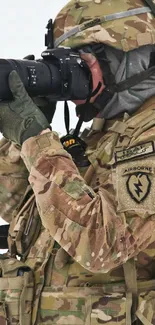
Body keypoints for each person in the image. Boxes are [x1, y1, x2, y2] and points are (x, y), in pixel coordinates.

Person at [1, 0, 155, 324]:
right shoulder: (100, 136)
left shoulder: (148, 137)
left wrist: (37, 140)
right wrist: (21, 138)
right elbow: (13, 204)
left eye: (85, 60)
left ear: (126, 57)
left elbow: (104, 244)